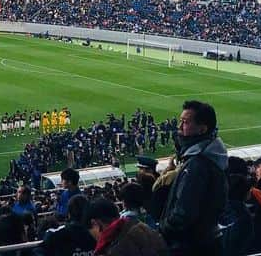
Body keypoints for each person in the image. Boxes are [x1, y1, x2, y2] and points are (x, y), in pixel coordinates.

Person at [160, 100, 227, 256]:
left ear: (202, 129)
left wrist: (162, 231)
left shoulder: (198, 164)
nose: (179, 127)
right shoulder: (210, 157)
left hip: (190, 246)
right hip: (205, 242)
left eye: (185, 122)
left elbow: (184, 213)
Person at [84, 197, 166, 256]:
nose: (95, 238)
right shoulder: (138, 226)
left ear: (95, 223)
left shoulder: (116, 249)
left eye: (91, 232)